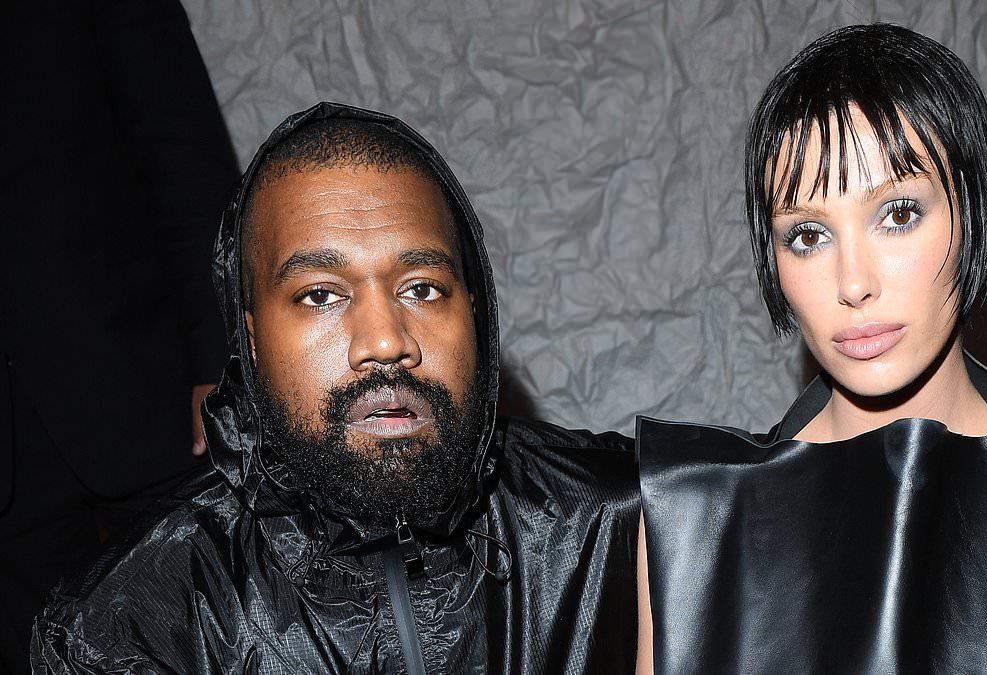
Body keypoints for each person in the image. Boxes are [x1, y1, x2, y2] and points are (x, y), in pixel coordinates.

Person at [32, 103, 639, 673]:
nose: (385, 341)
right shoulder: (126, 630)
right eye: (321, 294)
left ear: (475, 314)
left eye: (422, 288)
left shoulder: (636, 520)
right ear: (250, 339)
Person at [635, 24, 987, 674]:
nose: (853, 282)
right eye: (808, 235)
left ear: (976, 210)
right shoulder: (692, 509)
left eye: (899, 214)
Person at [0, 1, 239, 672]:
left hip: (145, 383)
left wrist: (221, 355)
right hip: (12, 498)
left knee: (217, 644)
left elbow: (180, 140)